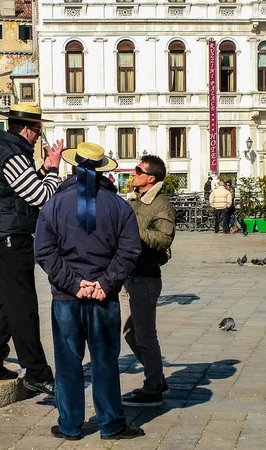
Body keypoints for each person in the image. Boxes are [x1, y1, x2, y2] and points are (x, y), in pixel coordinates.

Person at [34, 142, 144, 440]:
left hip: (67, 298)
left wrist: (73, 283)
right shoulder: (119, 206)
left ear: (72, 166)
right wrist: (104, 283)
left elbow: (44, 251)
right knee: (105, 361)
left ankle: (70, 425)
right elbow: (130, 250)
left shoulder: (53, 205)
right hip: (103, 298)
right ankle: (110, 423)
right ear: (102, 170)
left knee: (68, 361)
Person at [0, 104, 64, 396]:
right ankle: (37, 372)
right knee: (24, 306)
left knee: (9, 304)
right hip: (11, 237)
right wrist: (54, 172)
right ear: (26, 130)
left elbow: (18, 187)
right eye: (38, 130)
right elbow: (40, 196)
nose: (39, 137)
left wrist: (43, 168)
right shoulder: (13, 156)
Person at [120, 155, 175, 407]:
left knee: (144, 334)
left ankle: (153, 387)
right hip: (130, 274)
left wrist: (129, 227)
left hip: (146, 275)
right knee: (131, 333)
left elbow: (164, 240)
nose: (134, 173)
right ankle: (156, 376)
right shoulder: (137, 200)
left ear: (150, 177)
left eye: (138, 170)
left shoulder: (160, 204)